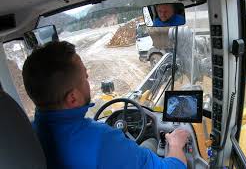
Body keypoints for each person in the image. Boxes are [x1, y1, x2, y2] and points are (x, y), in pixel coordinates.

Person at [22, 41, 190, 168]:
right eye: (85, 78)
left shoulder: (24, 136)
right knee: (151, 143)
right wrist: (175, 144)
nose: (88, 81)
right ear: (72, 98)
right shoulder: (102, 140)